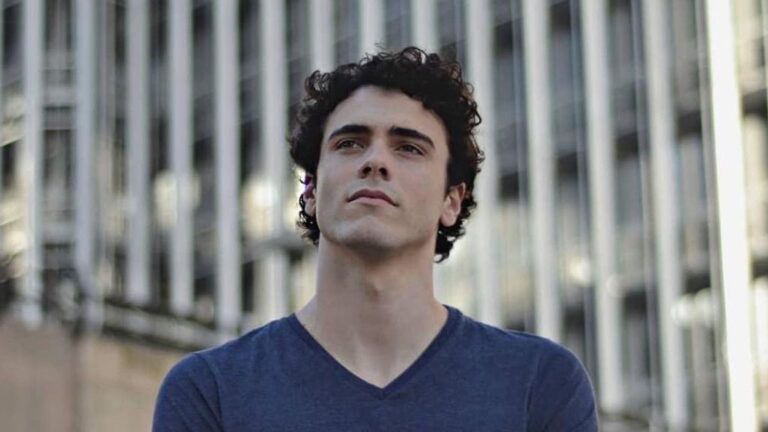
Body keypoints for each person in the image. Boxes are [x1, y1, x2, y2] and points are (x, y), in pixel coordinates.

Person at [153, 47, 598, 431]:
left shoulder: (539, 384)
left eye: (409, 148)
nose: (375, 161)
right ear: (310, 191)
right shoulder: (211, 390)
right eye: (350, 143)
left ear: (451, 201)